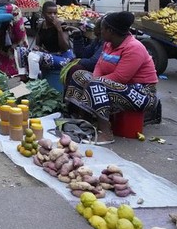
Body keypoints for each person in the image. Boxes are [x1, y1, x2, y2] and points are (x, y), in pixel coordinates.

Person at [64, 11, 158, 145]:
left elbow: (120, 77)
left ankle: (106, 132)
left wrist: (94, 82)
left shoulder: (134, 48)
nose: (100, 31)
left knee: (96, 84)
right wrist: (93, 80)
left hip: (142, 93)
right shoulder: (108, 44)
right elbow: (99, 66)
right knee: (79, 75)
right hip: (118, 87)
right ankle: (86, 120)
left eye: (102, 28)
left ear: (110, 31)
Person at [21, 1, 75, 80]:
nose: (53, 16)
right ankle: (24, 76)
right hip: (49, 54)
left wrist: (59, 29)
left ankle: (33, 81)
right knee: (21, 51)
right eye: (49, 13)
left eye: (55, 13)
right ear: (43, 14)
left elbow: (65, 48)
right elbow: (38, 45)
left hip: (63, 58)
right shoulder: (41, 25)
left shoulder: (62, 24)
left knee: (33, 57)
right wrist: (37, 48)